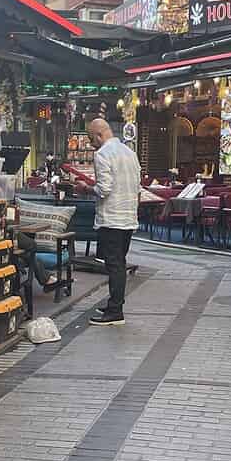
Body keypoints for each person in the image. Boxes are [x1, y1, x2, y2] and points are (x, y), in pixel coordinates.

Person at [87, 118, 140, 326]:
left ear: (99, 135)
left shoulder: (102, 155)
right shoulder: (130, 153)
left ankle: (115, 311)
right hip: (128, 217)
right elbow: (137, 188)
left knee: (115, 265)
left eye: (92, 139)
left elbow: (104, 189)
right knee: (119, 262)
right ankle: (113, 304)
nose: (91, 144)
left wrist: (86, 188)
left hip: (111, 218)